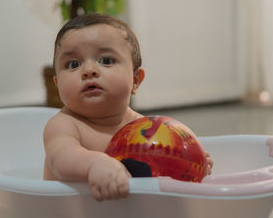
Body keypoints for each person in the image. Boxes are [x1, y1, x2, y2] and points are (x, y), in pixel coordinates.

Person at [43, 13, 213, 201]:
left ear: (136, 80)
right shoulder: (64, 125)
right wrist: (95, 164)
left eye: (106, 60)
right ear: (57, 84)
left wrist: (188, 162)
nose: (89, 70)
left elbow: (157, 171)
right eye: (73, 64)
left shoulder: (143, 128)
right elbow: (61, 158)